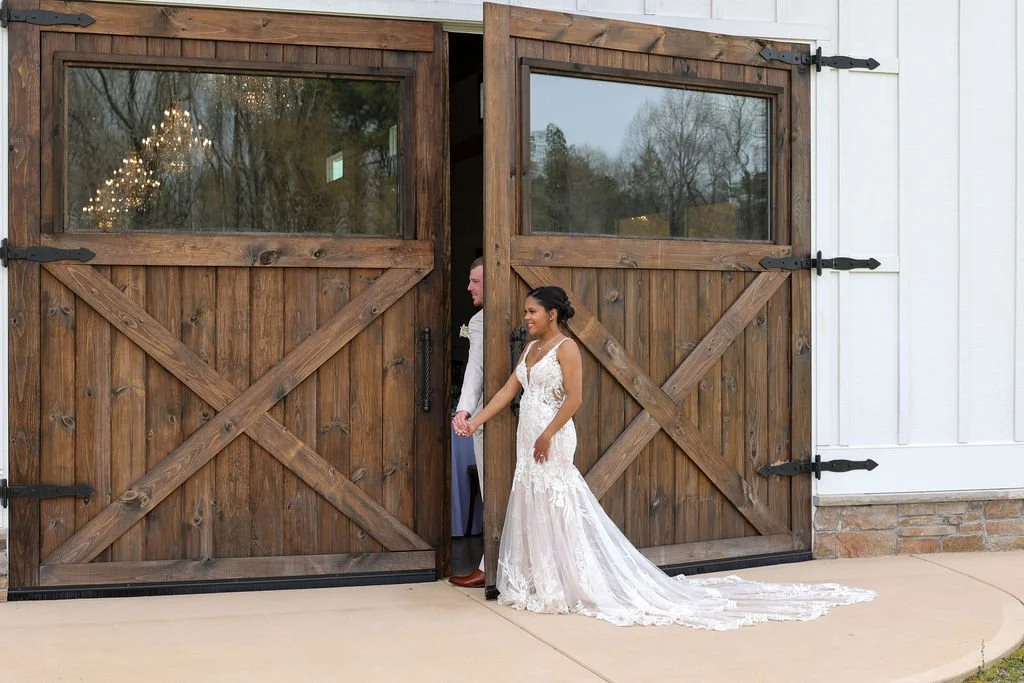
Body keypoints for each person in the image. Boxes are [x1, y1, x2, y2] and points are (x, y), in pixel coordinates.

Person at [456, 285, 875, 628]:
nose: (526, 317)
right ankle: (539, 581)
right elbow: (509, 392)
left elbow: (575, 399)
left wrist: (548, 433)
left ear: (552, 314)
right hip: (527, 436)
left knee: (557, 500)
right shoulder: (528, 352)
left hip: (552, 435)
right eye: (526, 312)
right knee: (533, 501)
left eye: (532, 311)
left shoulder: (567, 348)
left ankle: (566, 584)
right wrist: (475, 422)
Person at [449, 257, 486, 588]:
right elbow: (475, 370)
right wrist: (466, 409)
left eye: (475, 281)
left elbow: (476, 370)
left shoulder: (482, 321)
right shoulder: (478, 321)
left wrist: (464, 410)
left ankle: (492, 566)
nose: (468, 287)